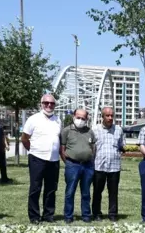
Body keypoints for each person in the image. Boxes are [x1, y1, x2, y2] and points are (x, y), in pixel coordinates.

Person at [22, 94, 62, 224]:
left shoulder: (58, 120)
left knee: (51, 188)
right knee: (35, 188)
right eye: (46, 103)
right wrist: (33, 150)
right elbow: (24, 138)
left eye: (52, 103)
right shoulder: (33, 119)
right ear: (41, 104)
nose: (49, 105)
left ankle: (48, 215)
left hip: (54, 160)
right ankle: (34, 216)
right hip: (37, 158)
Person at [60, 109, 96, 224]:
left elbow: (93, 147)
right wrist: (69, 163)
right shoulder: (66, 131)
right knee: (70, 192)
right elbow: (62, 150)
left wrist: (91, 159)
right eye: (78, 117)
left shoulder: (89, 131)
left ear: (86, 119)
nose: (80, 120)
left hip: (87, 166)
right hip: (72, 165)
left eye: (83, 118)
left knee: (86, 192)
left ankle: (86, 215)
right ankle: (68, 216)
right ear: (74, 117)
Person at [92, 107, 126, 222]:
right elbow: (92, 147)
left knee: (113, 192)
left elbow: (122, 145)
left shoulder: (118, 130)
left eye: (112, 115)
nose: (110, 118)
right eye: (107, 115)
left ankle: (113, 214)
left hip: (114, 166)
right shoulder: (95, 130)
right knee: (97, 191)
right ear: (102, 116)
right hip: (99, 166)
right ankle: (96, 213)